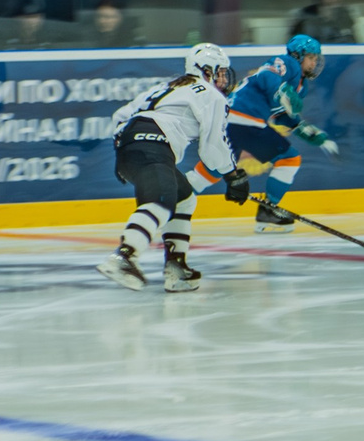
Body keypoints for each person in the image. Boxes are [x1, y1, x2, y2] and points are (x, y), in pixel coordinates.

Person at [97, 44, 261, 293]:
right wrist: (233, 174)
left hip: (131, 147)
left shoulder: (167, 87)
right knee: (161, 200)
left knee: (183, 198)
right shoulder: (209, 94)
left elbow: (120, 115)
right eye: (220, 72)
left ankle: (177, 268)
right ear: (206, 70)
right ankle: (124, 257)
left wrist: (125, 149)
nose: (224, 79)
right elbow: (213, 147)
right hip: (153, 145)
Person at [226, 35, 339, 232]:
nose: (314, 62)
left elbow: (280, 115)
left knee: (213, 169)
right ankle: (268, 210)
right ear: (298, 55)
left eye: (316, 58)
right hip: (244, 118)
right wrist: (282, 92)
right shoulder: (288, 63)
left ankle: (174, 205)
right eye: (311, 57)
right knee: (290, 158)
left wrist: (306, 131)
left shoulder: (301, 85)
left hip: (236, 120)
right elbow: (267, 76)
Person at [288, 0, 359, 46]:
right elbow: (296, 45)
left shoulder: (344, 15)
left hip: (341, 55)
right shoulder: (304, 17)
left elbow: (352, 43)